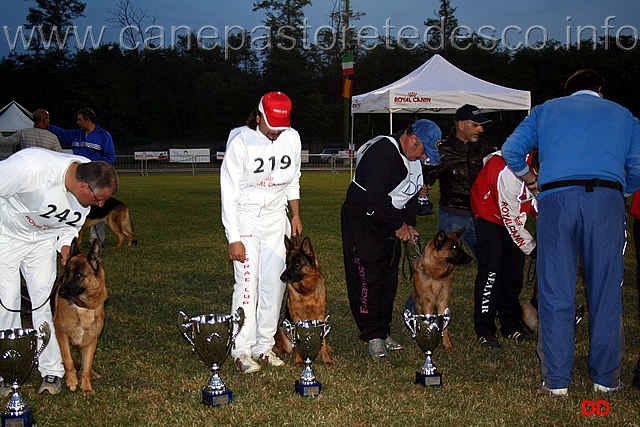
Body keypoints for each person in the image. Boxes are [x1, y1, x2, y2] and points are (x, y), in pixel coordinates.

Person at [502, 69, 640, 396]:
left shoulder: (546, 110)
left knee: (555, 291)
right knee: (606, 291)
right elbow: (637, 166)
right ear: (600, 90)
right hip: (606, 200)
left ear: (568, 92)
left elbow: (511, 150)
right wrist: (623, 193)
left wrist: (531, 180)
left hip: (556, 201)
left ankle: (556, 381)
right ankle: (606, 379)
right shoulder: (625, 116)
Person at [0, 147, 118, 395]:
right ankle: (7, 371)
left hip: (42, 241)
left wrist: (65, 243)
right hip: (7, 236)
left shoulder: (90, 174)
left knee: (43, 303)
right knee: (7, 303)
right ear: (83, 186)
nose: (101, 205)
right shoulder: (31, 168)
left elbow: (72, 222)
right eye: (98, 200)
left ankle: (52, 371)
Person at [341, 119, 442, 361]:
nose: (423, 157)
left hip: (389, 223)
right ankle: (372, 335)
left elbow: (409, 196)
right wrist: (399, 225)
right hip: (363, 223)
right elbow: (375, 197)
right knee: (368, 278)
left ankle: (383, 330)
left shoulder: (413, 160)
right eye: (423, 150)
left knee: (388, 278)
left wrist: (410, 225)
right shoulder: (383, 152)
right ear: (412, 139)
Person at [220, 91, 302, 374]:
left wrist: (295, 214)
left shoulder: (291, 138)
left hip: (275, 220)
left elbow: (294, 178)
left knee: (274, 284)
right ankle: (241, 350)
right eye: (271, 126)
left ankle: (263, 345)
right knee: (247, 285)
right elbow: (228, 192)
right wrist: (234, 237)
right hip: (247, 220)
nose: (276, 133)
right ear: (258, 117)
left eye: (281, 127)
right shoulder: (240, 141)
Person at [470, 150, 538, 349]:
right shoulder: (508, 171)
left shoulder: (547, 166)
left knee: (514, 271)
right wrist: (533, 249)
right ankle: (484, 328)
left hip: (515, 210)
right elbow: (510, 221)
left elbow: (538, 198)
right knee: (491, 271)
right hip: (488, 211)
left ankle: (510, 324)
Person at [428, 104, 497, 260]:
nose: (480, 129)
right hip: (453, 214)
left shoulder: (485, 148)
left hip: (482, 214)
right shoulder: (444, 149)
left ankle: (489, 284)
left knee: (488, 260)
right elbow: (427, 179)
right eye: (475, 125)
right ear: (461, 124)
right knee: (443, 260)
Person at [49, 107, 116, 245]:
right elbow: (61, 133)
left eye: (80, 119)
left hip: (95, 179)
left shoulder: (104, 136)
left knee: (96, 207)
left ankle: (96, 240)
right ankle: (70, 239)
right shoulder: (76, 134)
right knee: (72, 204)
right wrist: (47, 125)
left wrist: (96, 168)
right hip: (78, 178)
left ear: (88, 120)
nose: (77, 122)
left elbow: (110, 156)